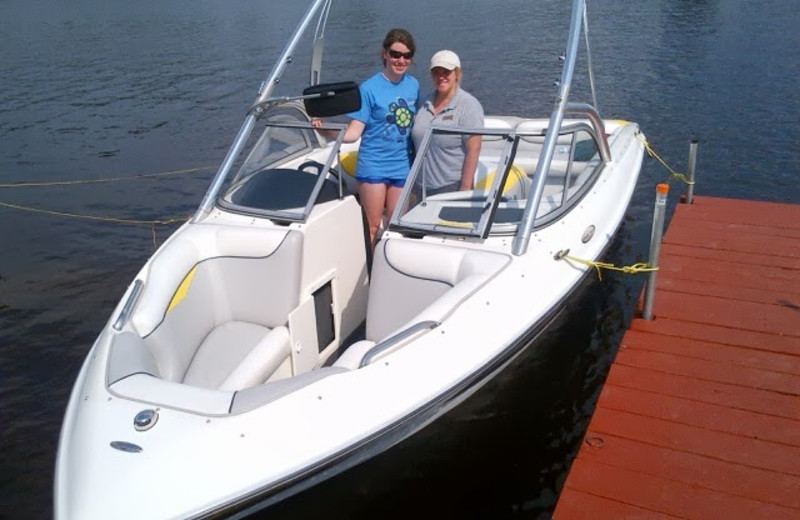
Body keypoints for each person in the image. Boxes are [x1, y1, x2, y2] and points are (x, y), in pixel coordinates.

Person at [313, 28, 419, 249]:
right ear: (385, 54)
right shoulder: (368, 89)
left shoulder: (414, 85)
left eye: (406, 56)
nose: (401, 60)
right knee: (373, 228)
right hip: (374, 167)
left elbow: (419, 123)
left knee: (398, 225)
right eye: (395, 54)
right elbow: (353, 133)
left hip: (402, 165)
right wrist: (327, 131)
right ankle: (374, 273)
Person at [411, 50, 484, 197]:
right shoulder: (425, 103)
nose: (441, 77)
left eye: (446, 72)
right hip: (419, 187)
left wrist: (464, 190)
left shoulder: (469, 105)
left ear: (456, 73)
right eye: (436, 72)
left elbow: (474, 150)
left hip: (450, 188)